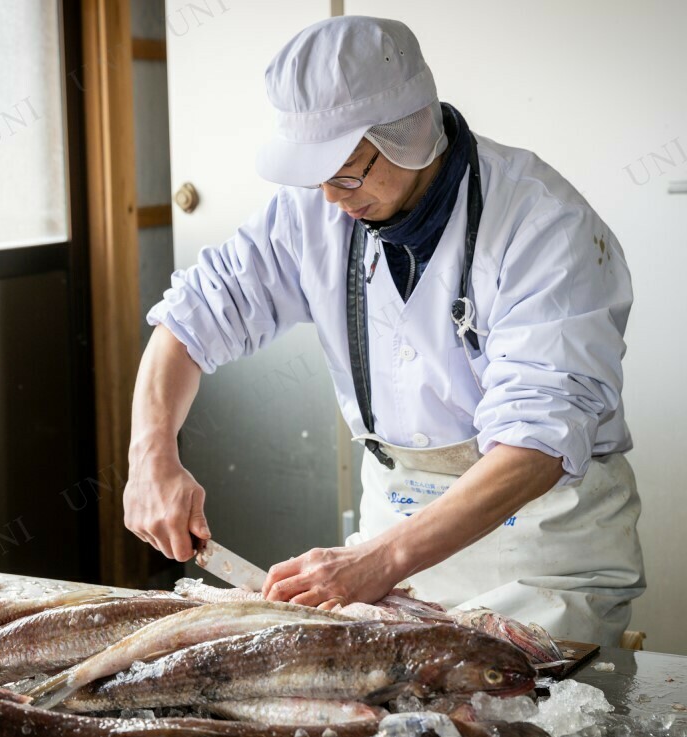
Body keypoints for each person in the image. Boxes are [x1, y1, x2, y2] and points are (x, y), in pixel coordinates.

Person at [123, 16, 645, 645]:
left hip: (541, 550)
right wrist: (150, 455)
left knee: (524, 723)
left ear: (410, 131)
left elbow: (538, 441)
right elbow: (191, 318)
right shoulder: (314, 209)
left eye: (348, 172)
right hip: (391, 533)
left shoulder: (545, 225)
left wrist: (381, 561)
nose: (332, 198)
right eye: (315, 176)